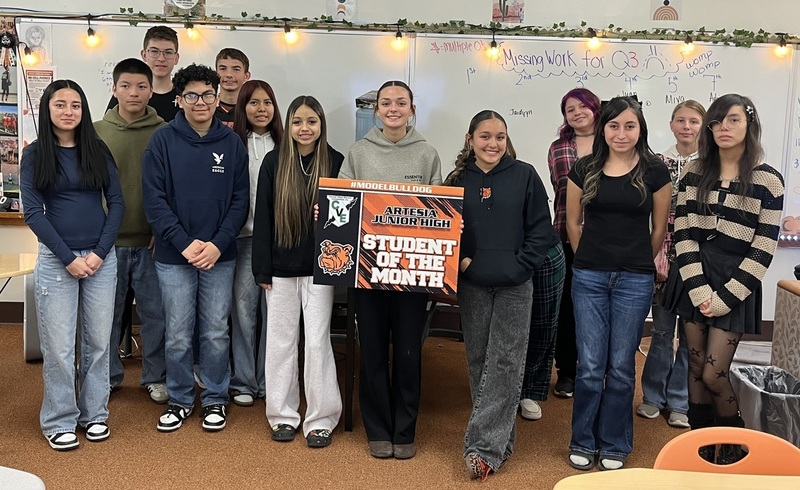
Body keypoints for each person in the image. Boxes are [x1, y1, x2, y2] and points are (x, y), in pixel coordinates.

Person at [663, 94, 784, 464]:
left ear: (750, 124)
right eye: (716, 122)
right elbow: (682, 231)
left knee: (716, 373)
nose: (722, 129)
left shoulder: (768, 181)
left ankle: (734, 450)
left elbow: (763, 248)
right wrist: (698, 287)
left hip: (736, 282)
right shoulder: (695, 172)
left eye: (732, 120)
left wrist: (723, 298)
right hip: (692, 275)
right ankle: (701, 450)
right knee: (696, 369)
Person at [444, 110, 563, 481]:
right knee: (479, 358)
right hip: (473, 281)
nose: (492, 143)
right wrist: (464, 264)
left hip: (515, 284)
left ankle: (482, 449)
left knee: (507, 360)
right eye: (484, 136)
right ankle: (502, 440)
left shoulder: (525, 175)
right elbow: (446, 227)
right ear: (470, 140)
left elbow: (541, 231)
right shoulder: (457, 179)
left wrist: (520, 267)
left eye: (499, 136)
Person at [565, 96, 672, 471]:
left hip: (634, 278)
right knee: (591, 365)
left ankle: (613, 443)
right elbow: (573, 223)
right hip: (589, 276)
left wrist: (638, 260)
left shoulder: (655, 172)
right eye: (614, 126)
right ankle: (582, 439)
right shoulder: (584, 169)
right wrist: (588, 259)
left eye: (630, 126)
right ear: (603, 129)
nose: (621, 133)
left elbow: (658, 229)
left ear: (640, 129)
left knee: (622, 365)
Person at [142, 63, 249, 433]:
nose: (200, 101)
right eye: (191, 94)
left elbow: (240, 201)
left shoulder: (232, 143)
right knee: (177, 331)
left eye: (207, 94)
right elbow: (154, 200)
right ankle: (181, 398)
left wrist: (217, 245)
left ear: (217, 98)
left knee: (216, 330)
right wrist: (185, 244)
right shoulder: (162, 140)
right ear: (179, 99)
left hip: (220, 256)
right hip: (174, 257)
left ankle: (216, 398)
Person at [338, 80, 442, 459]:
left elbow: (439, 213)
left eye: (401, 102)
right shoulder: (358, 152)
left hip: (413, 275)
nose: (393, 108)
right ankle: (378, 428)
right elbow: (344, 206)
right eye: (386, 103)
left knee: (409, 352)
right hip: (367, 273)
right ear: (376, 110)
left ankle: (405, 428)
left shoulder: (427, 154)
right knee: (373, 351)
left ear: (412, 108)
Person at [21, 79, 125, 450]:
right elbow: (33, 213)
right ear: (48, 110)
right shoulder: (34, 155)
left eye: (76, 105)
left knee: (98, 343)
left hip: (101, 260)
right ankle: (60, 419)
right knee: (60, 348)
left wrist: (97, 254)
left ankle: (94, 414)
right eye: (60, 105)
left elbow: (118, 205)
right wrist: (68, 258)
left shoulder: (97, 149)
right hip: (56, 261)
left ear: (84, 111)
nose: (69, 112)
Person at [252, 95, 344, 448]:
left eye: (312, 122)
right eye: (297, 122)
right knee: (280, 343)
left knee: (318, 342)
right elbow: (262, 220)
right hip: (279, 269)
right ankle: (282, 415)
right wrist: (262, 268)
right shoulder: (274, 163)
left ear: (321, 125)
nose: (304, 129)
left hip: (322, 269)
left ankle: (320, 418)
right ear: (288, 126)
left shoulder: (336, 161)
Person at [94, 58, 168, 402]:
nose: (133, 92)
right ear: (114, 89)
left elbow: (170, 185)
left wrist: (162, 228)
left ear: (151, 90)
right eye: (126, 86)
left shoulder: (164, 131)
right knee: (106, 315)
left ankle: (155, 376)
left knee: (155, 314)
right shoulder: (95, 132)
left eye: (141, 86)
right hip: (107, 242)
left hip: (152, 241)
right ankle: (107, 376)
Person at [637, 100, 706, 428]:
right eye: (681, 120)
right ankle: (652, 396)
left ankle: (680, 400)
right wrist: (655, 257)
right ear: (671, 123)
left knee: (690, 338)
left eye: (694, 121)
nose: (687, 127)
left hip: (699, 263)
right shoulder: (657, 162)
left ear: (702, 126)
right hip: (663, 258)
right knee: (662, 332)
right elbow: (651, 214)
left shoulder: (710, 164)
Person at [544, 88, 601, 402]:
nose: (577, 112)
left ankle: (594, 369)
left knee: (597, 307)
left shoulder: (613, 143)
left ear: (595, 107)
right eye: (569, 109)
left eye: (582, 106)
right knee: (566, 306)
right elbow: (561, 190)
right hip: (566, 235)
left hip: (606, 240)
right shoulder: (558, 148)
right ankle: (566, 371)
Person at [229, 80, 283, 406]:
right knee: (243, 312)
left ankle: (269, 379)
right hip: (243, 240)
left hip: (278, 243)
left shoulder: (286, 145)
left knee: (274, 315)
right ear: (242, 108)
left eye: (267, 102)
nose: (261, 109)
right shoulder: (233, 143)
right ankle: (244, 382)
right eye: (253, 103)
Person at [106, 26, 182, 122]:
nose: (161, 58)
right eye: (154, 51)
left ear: (176, 58)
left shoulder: (185, 95)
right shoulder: (127, 95)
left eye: (168, 52)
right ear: (144, 55)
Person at [215, 48, 251, 127]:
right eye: (223, 69)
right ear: (216, 73)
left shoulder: (252, 109)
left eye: (236, 69)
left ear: (247, 76)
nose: (229, 75)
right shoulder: (206, 107)